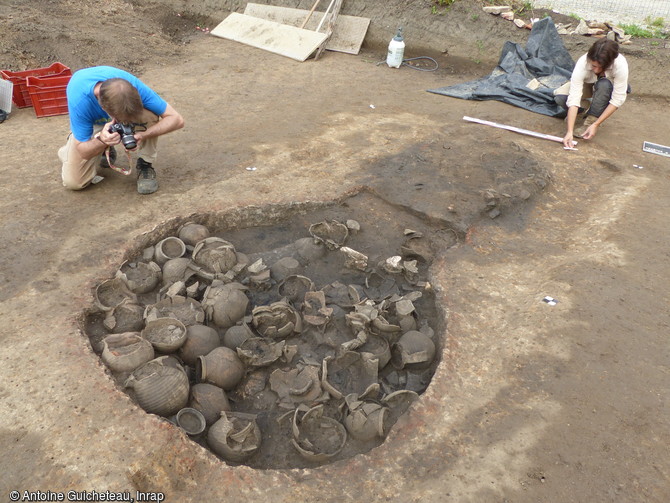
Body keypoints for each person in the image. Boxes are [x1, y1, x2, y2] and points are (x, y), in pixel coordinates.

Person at [59, 66, 184, 194]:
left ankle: (145, 164)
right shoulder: (80, 100)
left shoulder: (132, 87)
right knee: (74, 182)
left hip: (117, 114)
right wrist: (103, 140)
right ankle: (85, 143)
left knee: (149, 115)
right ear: (102, 106)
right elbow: (83, 151)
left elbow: (176, 119)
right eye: (119, 120)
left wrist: (143, 135)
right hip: (93, 124)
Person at [554, 38, 629, 148]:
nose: (597, 70)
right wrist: (569, 131)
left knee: (604, 85)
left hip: (607, 86)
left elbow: (617, 100)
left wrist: (596, 124)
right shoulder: (583, 63)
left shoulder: (620, 64)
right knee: (560, 97)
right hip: (588, 84)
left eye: (602, 67)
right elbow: (574, 97)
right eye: (594, 66)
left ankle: (591, 120)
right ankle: (582, 111)